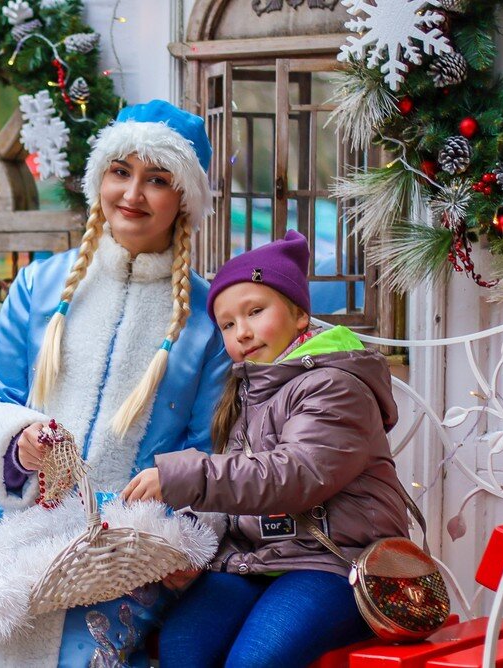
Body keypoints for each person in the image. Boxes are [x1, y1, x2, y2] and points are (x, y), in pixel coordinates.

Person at [0, 99, 229, 667]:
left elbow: (211, 449)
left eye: (156, 180)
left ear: (184, 201)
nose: (132, 194)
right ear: (100, 178)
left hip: (124, 550)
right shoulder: (38, 286)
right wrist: (18, 441)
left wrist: (178, 543)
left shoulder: (207, 318)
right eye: (120, 173)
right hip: (12, 524)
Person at [122, 230, 411, 667]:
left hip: (334, 564)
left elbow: (292, 475)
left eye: (255, 311)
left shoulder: (334, 386)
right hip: (255, 562)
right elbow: (237, 491)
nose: (242, 332)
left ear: (299, 316)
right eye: (227, 324)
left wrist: (182, 476)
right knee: (183, 647)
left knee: (253, 661)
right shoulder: (248, 391)